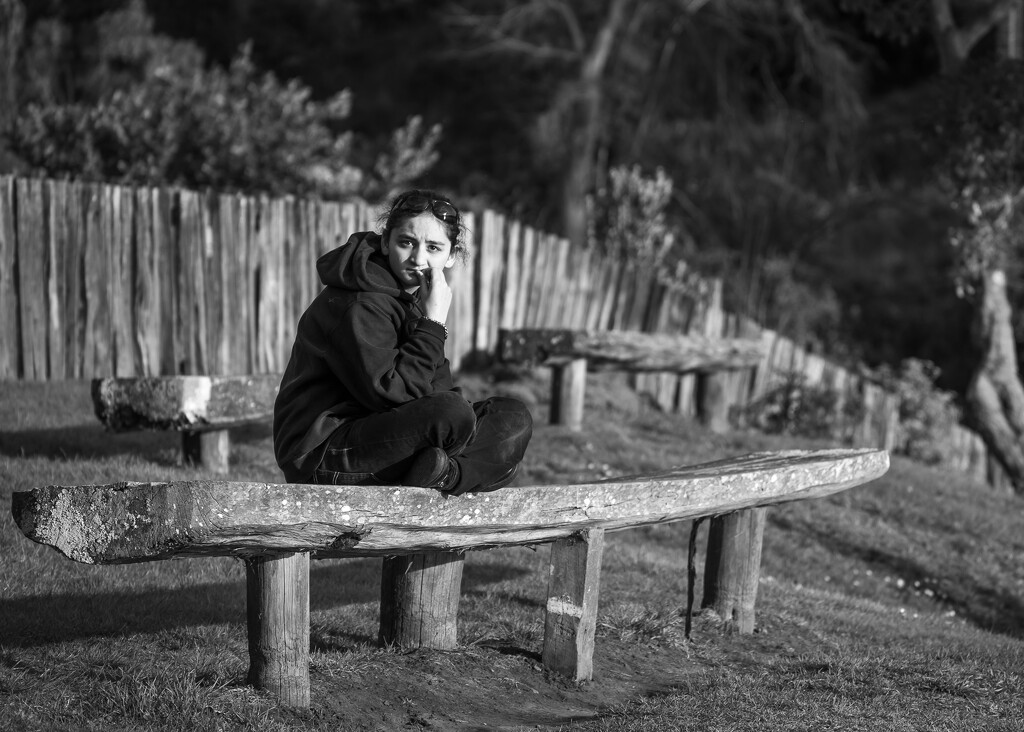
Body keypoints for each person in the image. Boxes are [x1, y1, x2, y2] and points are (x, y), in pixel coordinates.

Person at [273, 189, 533, 495]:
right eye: (406, 242)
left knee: (513, 419)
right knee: (453, 416)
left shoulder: (410, 302)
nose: (417, 259)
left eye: (433, 248)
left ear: (450, 256)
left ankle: (444, 474)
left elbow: (436, 390)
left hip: (380, 437)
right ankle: (461, 473)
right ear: (386, 242)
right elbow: (393, 395)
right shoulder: (359, 302)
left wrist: (429, 325)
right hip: (323, 453)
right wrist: (433, 323)